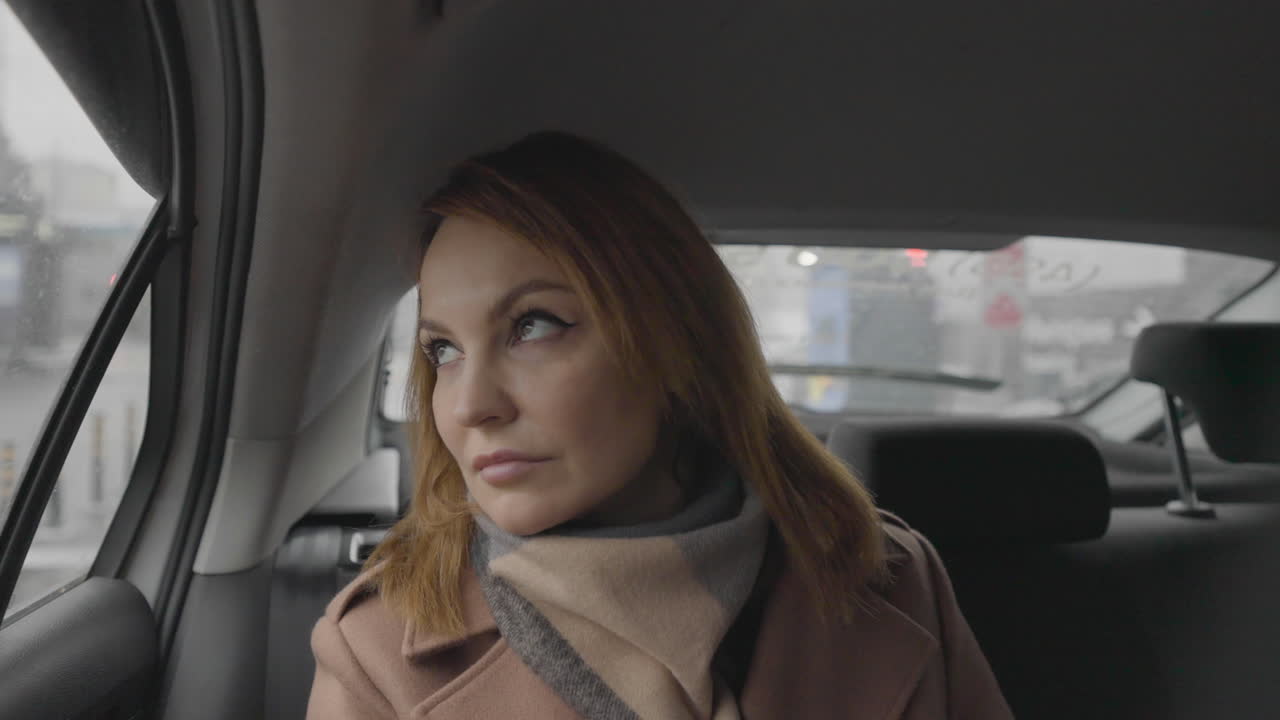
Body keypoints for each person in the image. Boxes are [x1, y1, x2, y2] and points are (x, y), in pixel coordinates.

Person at [306, 131, 1012, 719]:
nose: (469, 406)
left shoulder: (886, 578)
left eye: (534, 326)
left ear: (674, 342)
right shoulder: (373, 648)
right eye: (443, 351)